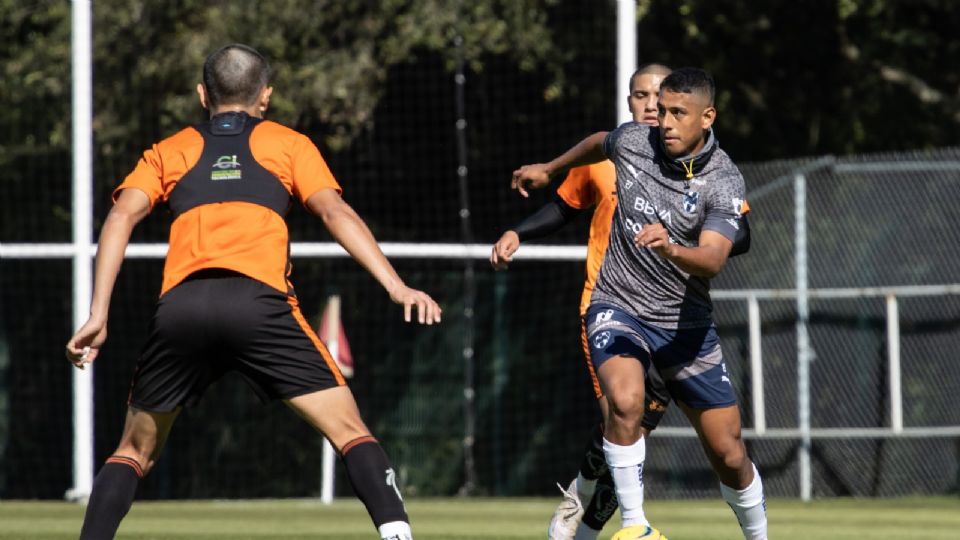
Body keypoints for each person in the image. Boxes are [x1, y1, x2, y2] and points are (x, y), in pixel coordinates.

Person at [64, 44, 441, 540]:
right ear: (265, 96)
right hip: (258, 305)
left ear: (203, 95)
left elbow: (120, 216)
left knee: (131, 452)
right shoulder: (288, 144)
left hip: (181, 309)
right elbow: (334, 213)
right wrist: (395, 285)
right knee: (351, 433)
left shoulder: (169, 150)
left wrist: (98, 313)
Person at [511, 67, 767, 540]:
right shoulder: (635, 141)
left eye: (677, 113)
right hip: (617, 303)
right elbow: (598, 142)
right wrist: (549, 168)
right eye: (660, 109)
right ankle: (635, 526)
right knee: (624, 405)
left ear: (707, 117)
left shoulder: (724, 180)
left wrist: (670, 247)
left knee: (730, 453)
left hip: (685, 326)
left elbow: (712, 261)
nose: (663, 121)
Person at [491, 64, 672, 540]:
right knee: (621, 417)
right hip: (607, 306)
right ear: (628, 101)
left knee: (630, 432)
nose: (650, 105)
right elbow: (563, 207)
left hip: (668, 315)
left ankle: (582, 493)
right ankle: (608, 527)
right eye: (640, 95)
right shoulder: (603, 158)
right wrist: (517, 231)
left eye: (658, 95)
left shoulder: (695, 162)